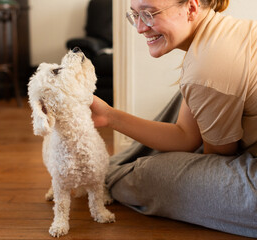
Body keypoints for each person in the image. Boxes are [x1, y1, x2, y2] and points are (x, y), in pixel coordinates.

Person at [90, 0, 257, 237]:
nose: (139, 28)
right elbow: (186, 136)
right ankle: (116, 168)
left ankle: (108, 176)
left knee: (148, 176)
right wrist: (108, 116)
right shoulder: (219, 36)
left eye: (148, 14)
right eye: (134, 15)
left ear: (191, 7)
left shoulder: (207, 69)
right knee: (184, 97)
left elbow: (218, 159)